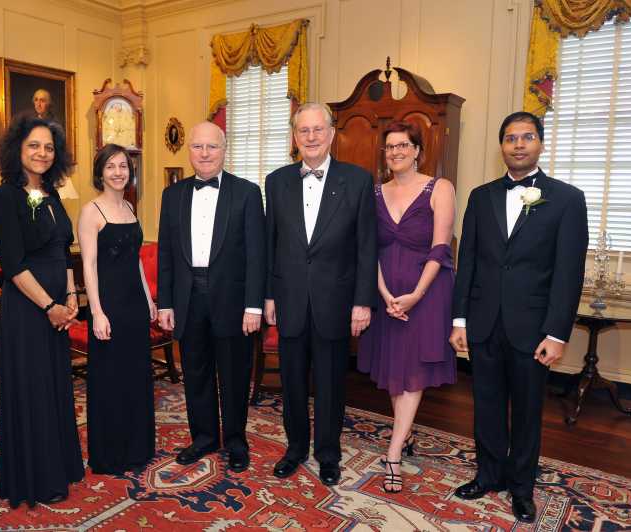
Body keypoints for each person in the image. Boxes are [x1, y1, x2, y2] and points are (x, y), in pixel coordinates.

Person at [449, 111, 588, 523]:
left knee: (527, 411)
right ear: (502, 146)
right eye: (511, 138)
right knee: (486, 405)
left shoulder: (566, 198)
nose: (519, 144)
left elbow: (568, 273)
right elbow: (467, 259)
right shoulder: (481, 196)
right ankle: (488, 474)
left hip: (533, 327)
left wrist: (557, 332)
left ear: (540, 143)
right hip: (484, 321)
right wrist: (459, 320)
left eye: (527, 136)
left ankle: (522, 487)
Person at [264, 102, 377, 486]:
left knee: (330, 384)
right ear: (294, 137)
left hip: (336, 302)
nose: (310, 137)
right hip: (290, 299)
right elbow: (270, 243)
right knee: (292, 382)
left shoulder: (358, 181)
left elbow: (367, 247)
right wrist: (268, 296)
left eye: (317, 130)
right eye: (303, 131)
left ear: (331, 134)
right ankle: (295, 449)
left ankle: (328, 453)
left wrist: (363, 301)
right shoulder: (276, 181)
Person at [157, 121, 265, 473]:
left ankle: (236, 441)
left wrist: (253, 305)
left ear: (224, 149)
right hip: (188, 299)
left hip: (233, 302)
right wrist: (166, 303)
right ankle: (203, 437)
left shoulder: (247, 193)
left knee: (234, 375)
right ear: (189, 150)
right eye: (198, 147)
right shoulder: (171, 196)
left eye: (212, 147)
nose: (204, 153)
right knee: (196, 372)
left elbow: (256, 255)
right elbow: (167, 255)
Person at [0, 116, 83, 508]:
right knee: (32, 389)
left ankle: (57, 466)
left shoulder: (53, 194)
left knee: (55, 386)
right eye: (34, 146)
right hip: (29, 310)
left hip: (59, 306)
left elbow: (62, 249)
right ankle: (34, 479)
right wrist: (48, 305)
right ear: (17, 149)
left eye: (48, 147)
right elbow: (12, 264)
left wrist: (71, 295)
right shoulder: (3, 197)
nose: (42, 153)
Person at [357, 121, 457, 493]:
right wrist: (383, 294)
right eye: (390, 147)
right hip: (387, 293)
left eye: (403, 145)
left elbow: (440, 247)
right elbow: (369, 250)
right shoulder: (375, 193)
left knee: (412, 369)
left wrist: (415, 294)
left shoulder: (439, 188)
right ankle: (407, 433)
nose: (396, 152)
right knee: (395, 369)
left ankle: (394, 453)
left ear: (417, 150)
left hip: (427, 293)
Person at [78, 144, 157, 474]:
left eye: (123, 166)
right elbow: (89, 265)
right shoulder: (91, 211)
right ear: (100, 172)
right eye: (110, 166)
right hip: (108, 307)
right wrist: (96, 311)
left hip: (135, 307)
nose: (118, 172)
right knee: (110, 380)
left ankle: (137, 448)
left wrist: (149, 299)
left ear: (130, 171)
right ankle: (110, 454)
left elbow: (135, 260)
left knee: (137, 378)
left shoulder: (129, 207)